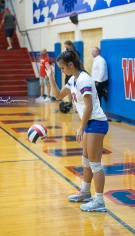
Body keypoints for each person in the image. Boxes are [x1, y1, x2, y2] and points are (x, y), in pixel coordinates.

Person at [45, 49, 108, 212]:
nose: (62, 71)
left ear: (70, 64)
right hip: (89, 124)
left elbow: (89, 107)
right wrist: (51, 77)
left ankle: (100, 201)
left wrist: (81, 127)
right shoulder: (74, 79)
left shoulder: (84, 80)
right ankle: (86, 192)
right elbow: (58, 95)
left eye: (62, 68)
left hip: (96, 123)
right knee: (86, 161)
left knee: (95, 164)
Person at [64, 40, 80, 109]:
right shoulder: (66, 53)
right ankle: (70, 104)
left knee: (76, 90)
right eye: (65, 47)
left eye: (67, 47)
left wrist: (69, 52)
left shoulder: (76, 53)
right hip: (68, 74)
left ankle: (77, 105)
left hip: (74, 73)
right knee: (68, 89)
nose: (67, 48)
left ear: (71, 45)